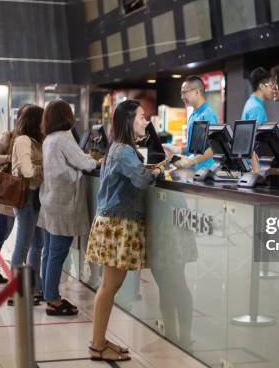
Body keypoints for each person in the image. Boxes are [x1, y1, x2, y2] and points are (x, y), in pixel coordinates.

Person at [86, 100, 167, 362]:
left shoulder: (119, 149)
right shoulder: (123, 151)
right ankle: (97, 345)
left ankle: (99, 340)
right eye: (142, 117)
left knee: (112, 284)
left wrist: (149, 168)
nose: (146, 122)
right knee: (110, 285)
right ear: (128, 121)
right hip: (117, 224)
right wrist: (162, 169)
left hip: (114, 222)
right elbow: (142, 180)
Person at [38, 100, 98, 316]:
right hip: (63, 203)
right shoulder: (64, 137)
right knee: (57, 252)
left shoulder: (49, 139)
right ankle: (53, 299)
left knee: (49, 251)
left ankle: (48, 293)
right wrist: (96, 161)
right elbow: (84, 163)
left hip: (50, 200)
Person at [0, 104, 29, 284]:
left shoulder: (33, 138)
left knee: (25, 236)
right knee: (4, 231)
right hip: (8, 192)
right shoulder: (9, 136)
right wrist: (9, 158)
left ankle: (26, 274)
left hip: (25, 194)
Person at [9, 105, 45, 305]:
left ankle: (33, 287)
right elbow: (28, 171)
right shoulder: (23, 140)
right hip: (26, 197)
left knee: (37, 245)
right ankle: (18, 292)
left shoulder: (37, 140)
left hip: (36, 197)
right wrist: (46, 166)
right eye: (42, 119)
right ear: (35, 121)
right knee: (23, 246)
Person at [169, 75, 218, 169]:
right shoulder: (193, 115)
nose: (182, 97)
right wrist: (178, 150)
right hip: (193, 172)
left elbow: (214, 148)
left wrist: (193, 160)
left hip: (205, 172)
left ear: (196, 92)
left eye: (184, 93)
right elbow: (195, 148)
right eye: (181, 93)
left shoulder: (208, 115)